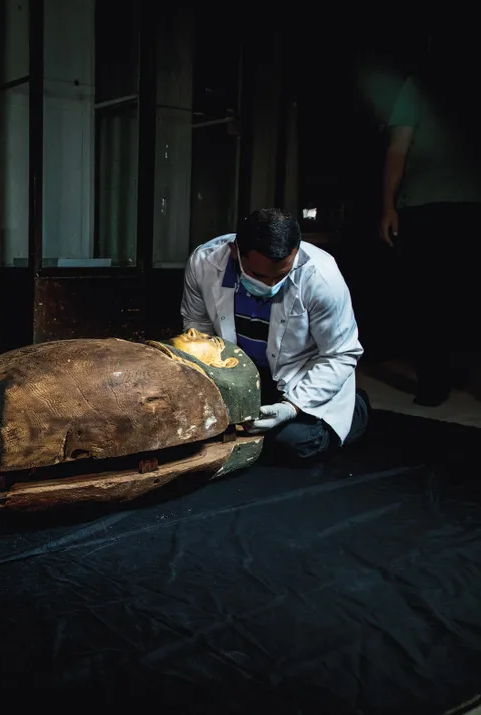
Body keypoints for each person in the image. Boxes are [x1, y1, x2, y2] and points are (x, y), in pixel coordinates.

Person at [181, 209, 369, 461]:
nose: (270, 286)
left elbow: (341, 354)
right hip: (242, 374)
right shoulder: (204, 263)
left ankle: (358, 409)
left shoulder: (322, 277)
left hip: (301, 378)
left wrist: (291, 407)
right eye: (259, 276)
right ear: (236, 251)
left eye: (281, 275)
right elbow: (197, 327)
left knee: (292, 444)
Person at [379, 45, 480, 406]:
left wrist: (389, 206)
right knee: (435, 295)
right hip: (429, 203)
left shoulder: (421, 83)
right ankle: (439, 377)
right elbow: (398, 148)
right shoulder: (420, 84)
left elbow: (398, 148)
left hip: (445, 204)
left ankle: (442, 377)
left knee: (439, 296)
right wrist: (389, 206)